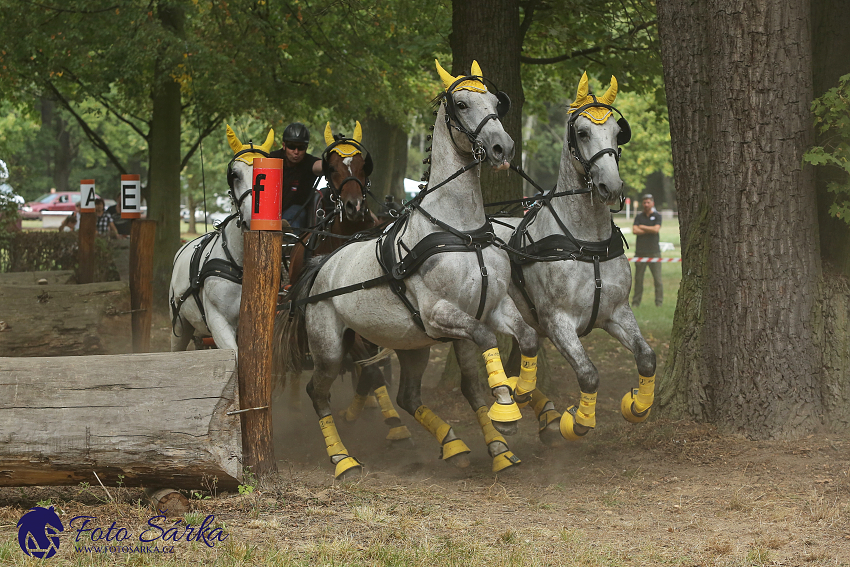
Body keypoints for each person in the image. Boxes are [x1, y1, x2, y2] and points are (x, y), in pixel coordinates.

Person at [269, 122, 323, 230]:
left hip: (296, 214)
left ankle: (289, 239)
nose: (296, 152)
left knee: (296, 212)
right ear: (284, 146)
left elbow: (322, 166)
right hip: (269, 211)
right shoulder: (271, 159)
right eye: (292, 147)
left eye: (301, 147)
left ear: (306, 147)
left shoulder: (309, 162)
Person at [632, 193, 663, 307]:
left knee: (658, 280)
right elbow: (635, 230)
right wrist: (648, 229)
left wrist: (642, 227)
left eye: (648, 202)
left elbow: (656, 230)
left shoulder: (658, 216)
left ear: (652, 203)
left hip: (654, 252)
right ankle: (636, 302)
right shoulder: (638, 217)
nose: (646, 204)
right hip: (640, 252)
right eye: (644, 202)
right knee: (638, 280)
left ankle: (659, 303)